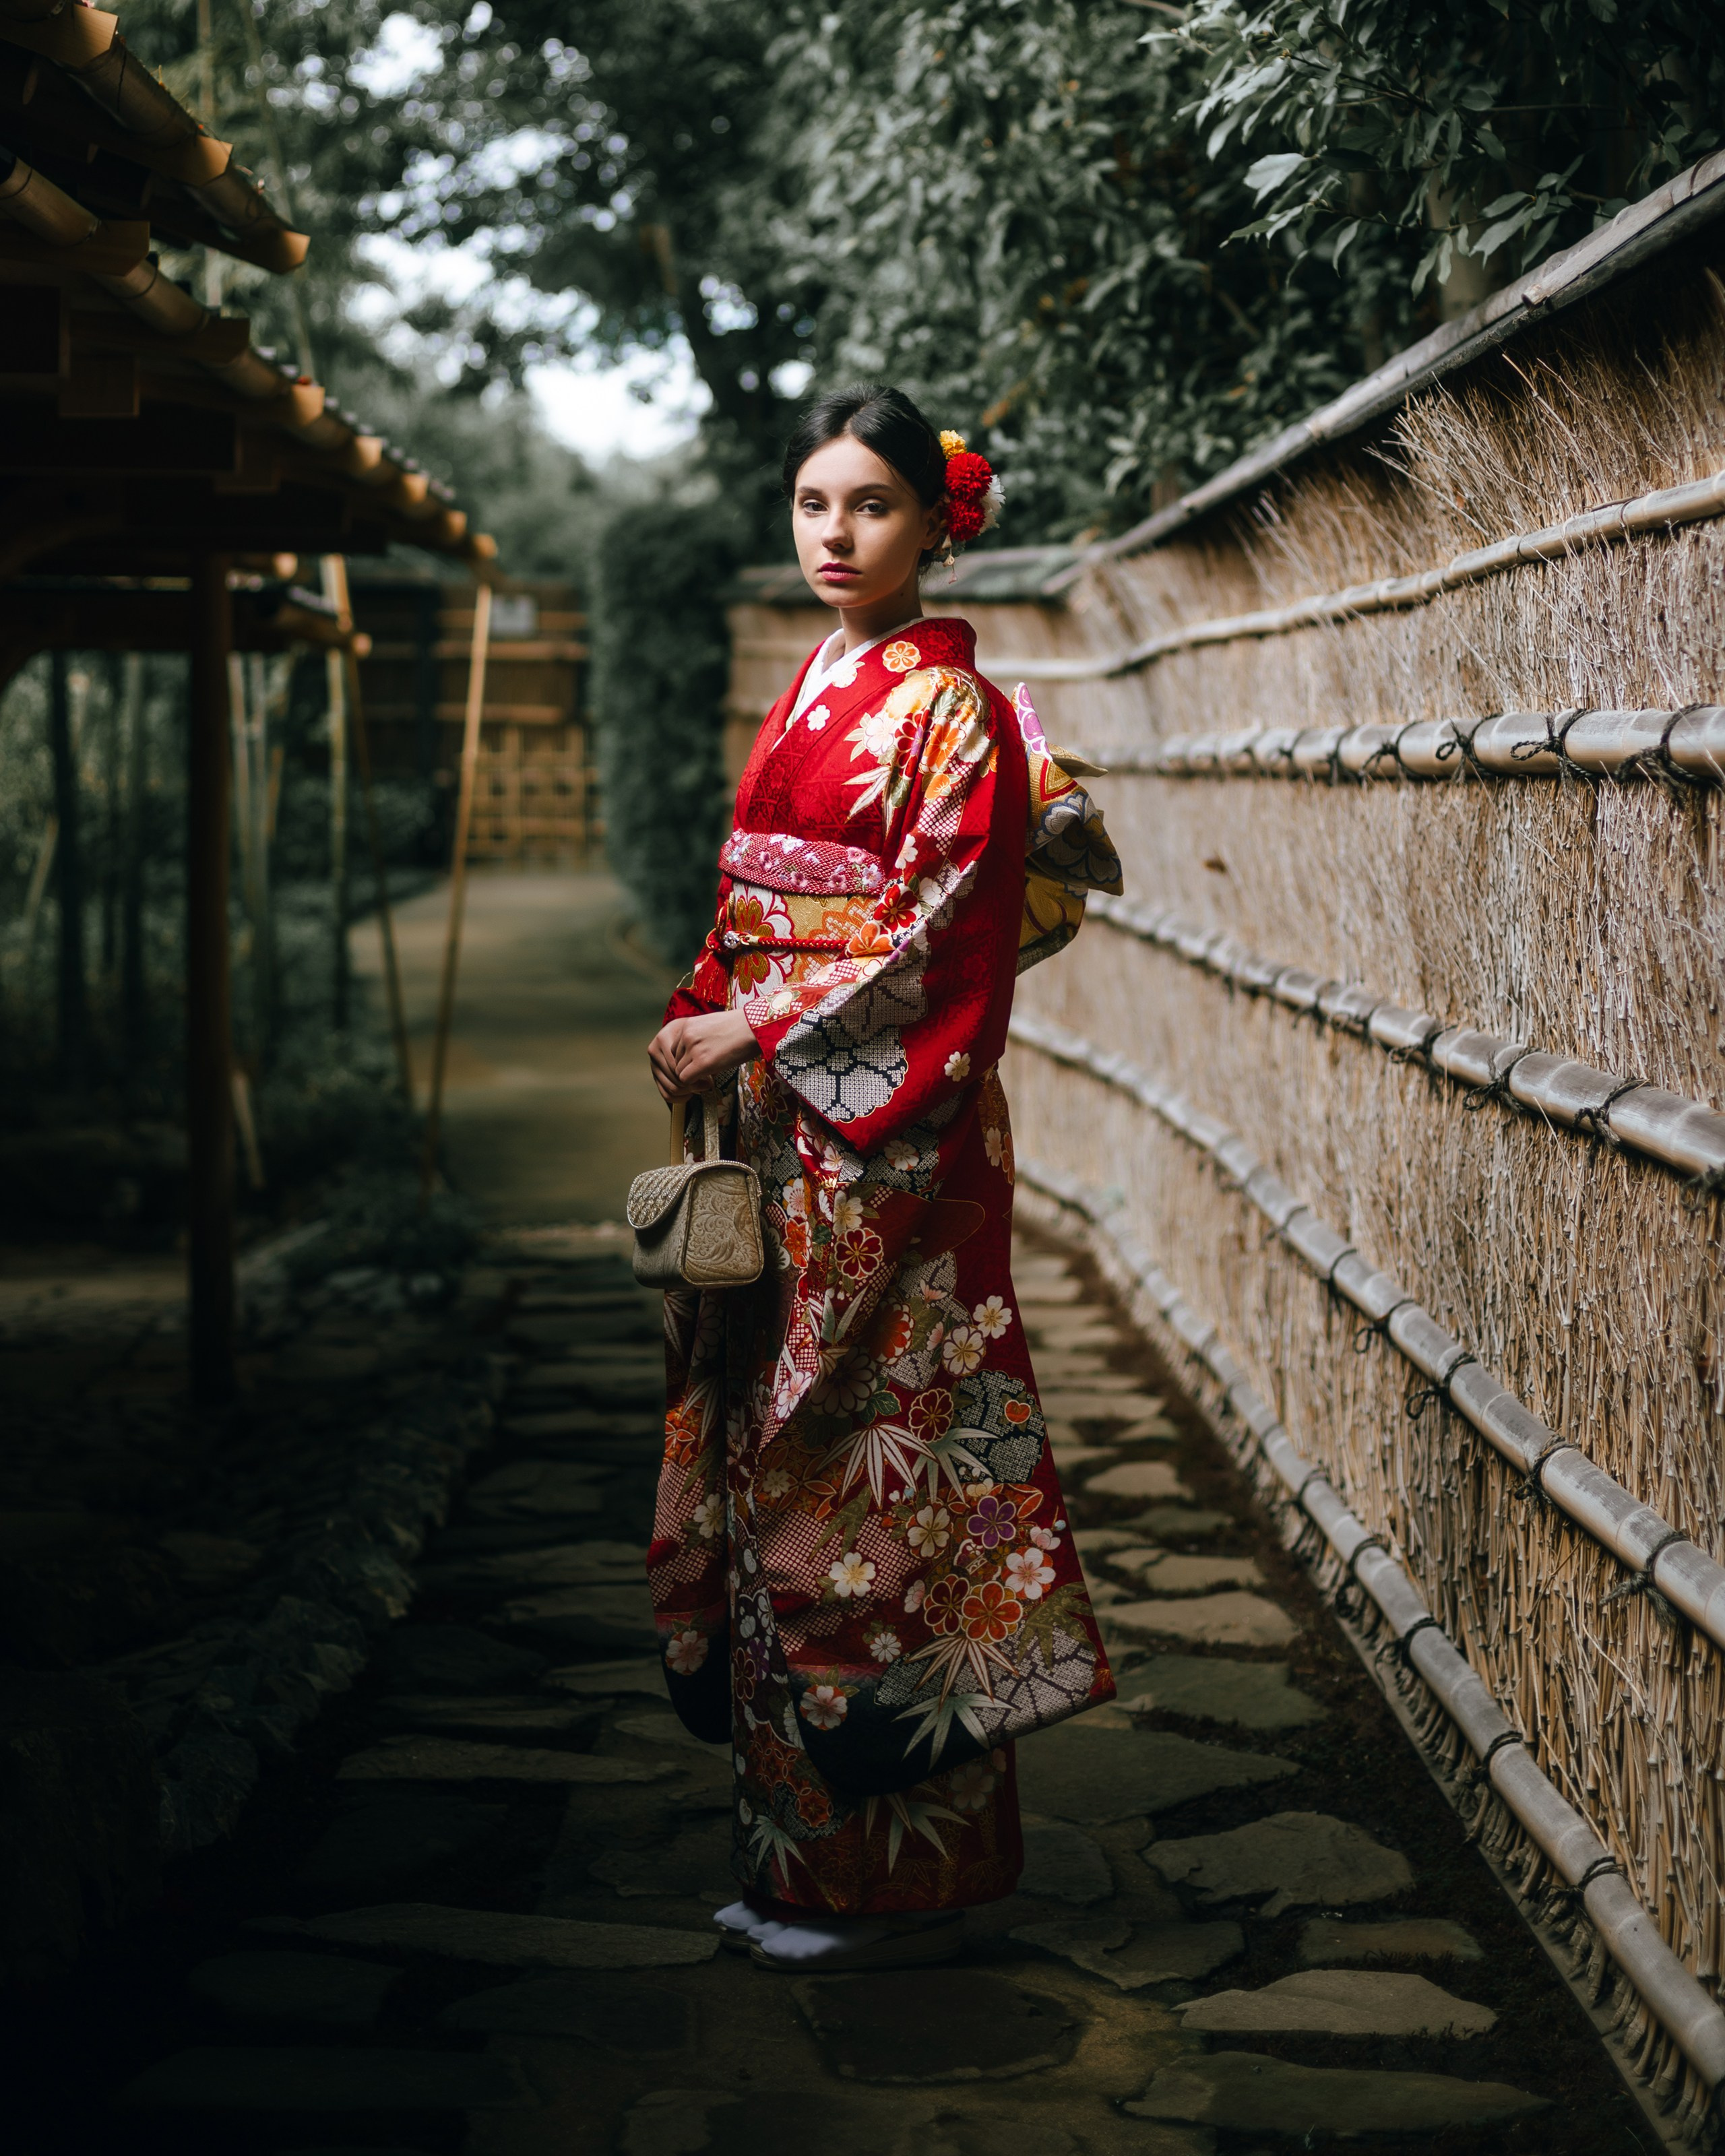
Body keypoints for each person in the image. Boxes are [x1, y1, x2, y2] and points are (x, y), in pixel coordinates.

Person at [644, 385, 1119, 1973]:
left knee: (849, 1468)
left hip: (887, 1147)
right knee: (763, 1456)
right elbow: (752, 883)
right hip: (792, 1120)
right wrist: (700, 1007)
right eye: (811, 506)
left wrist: (760, 1023)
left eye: (868, 508)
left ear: (932, 523)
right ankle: (792, 1864)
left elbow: (939, 937)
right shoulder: (823, 679)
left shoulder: (948, 710)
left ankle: (887, 1879)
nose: (833, 536)